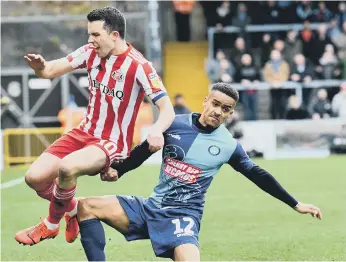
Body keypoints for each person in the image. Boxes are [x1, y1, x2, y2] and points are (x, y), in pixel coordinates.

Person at [77, 83, 322, 261]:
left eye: (225, 109)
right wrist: (118, 170)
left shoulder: (229, 145)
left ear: (230, 113)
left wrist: (295, 203)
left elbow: (258, 174)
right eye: (215, 104)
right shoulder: (174, 124)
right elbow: (143, 151)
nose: (218, 111)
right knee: (86, 207)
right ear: (206, 100)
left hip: (184, 216)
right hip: (152, 207)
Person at [15, 7, 175, 246]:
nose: (91, 40)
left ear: (115, 35)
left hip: (111, 143)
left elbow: (167, 109)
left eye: (96, 34)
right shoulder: (90, 52)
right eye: (89, 34)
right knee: (34, 178)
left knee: (67, 169)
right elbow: (49, 71)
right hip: (83, 132)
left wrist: (156, 130)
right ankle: (72, 211)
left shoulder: (139, 66)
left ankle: (50, 225)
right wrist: (40, 66)